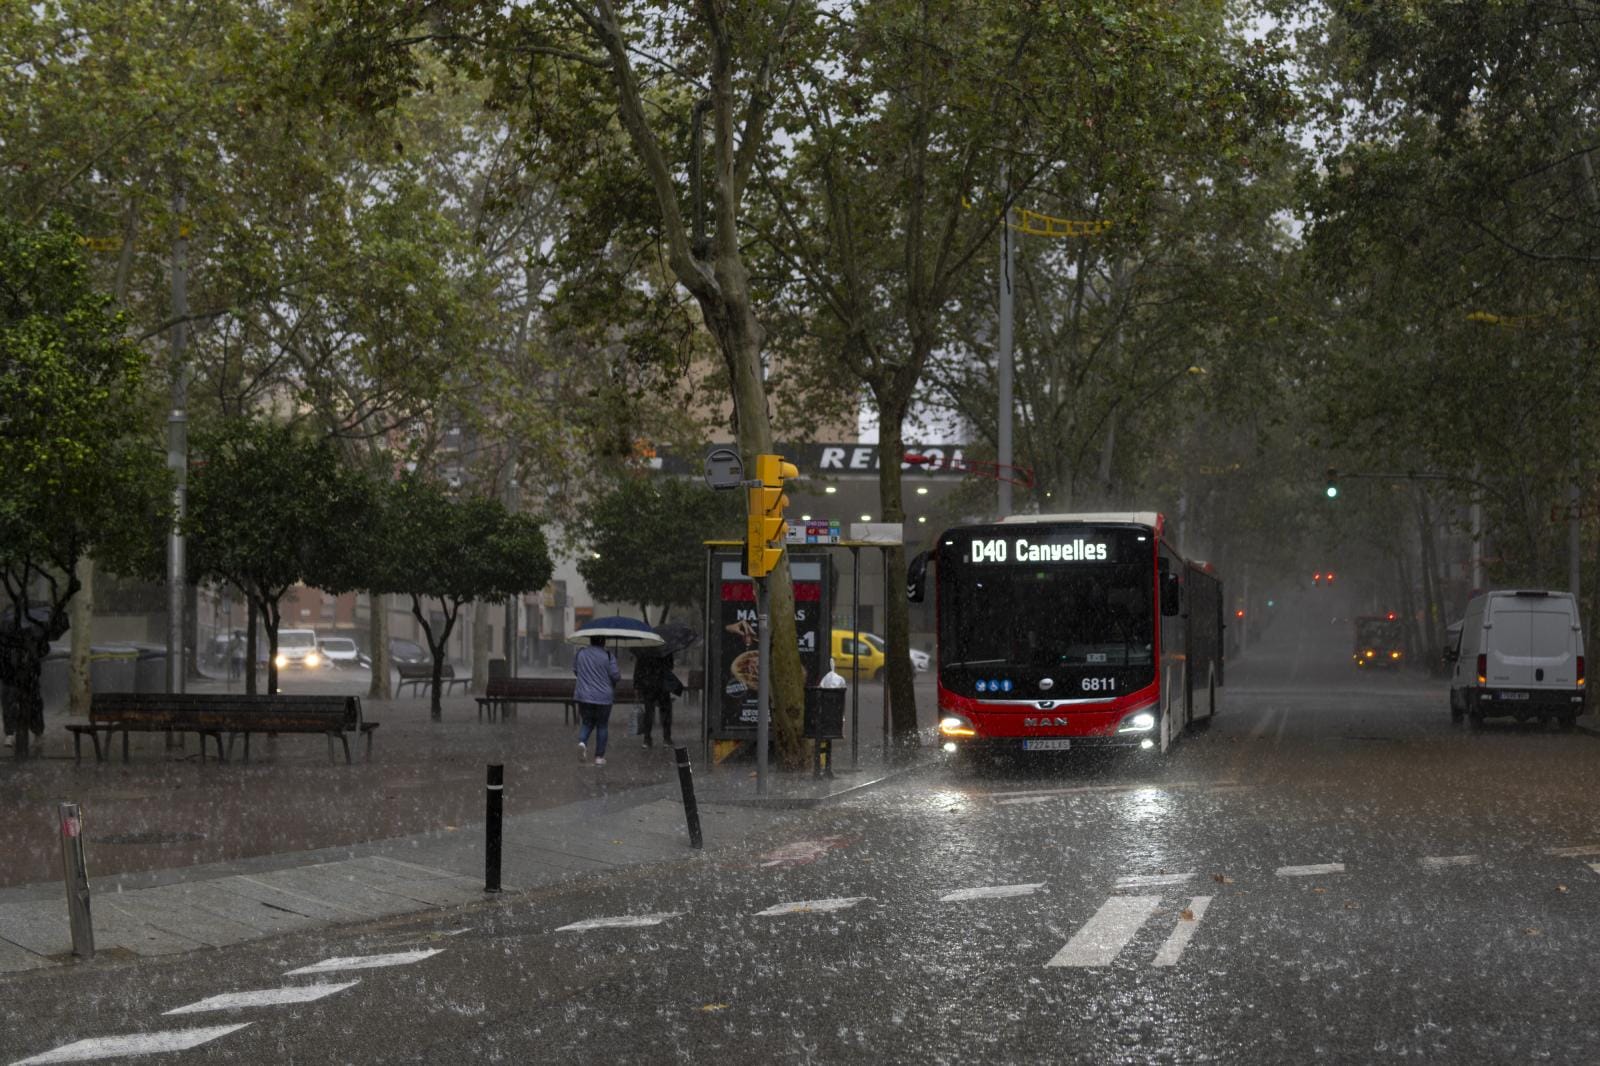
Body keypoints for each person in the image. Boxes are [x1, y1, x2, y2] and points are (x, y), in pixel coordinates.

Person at [573, 634, 620, 766]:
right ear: (604, 641)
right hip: (604, 697)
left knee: (587, 722)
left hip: (584, 695)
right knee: (602, 725)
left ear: (590, 640)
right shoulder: (609, 656)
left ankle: (582, 743)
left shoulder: (580, 653)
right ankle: (599, 757)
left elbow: (576, 670)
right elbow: (615, 676)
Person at [633, 650, 680, 749]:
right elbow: (670, 666)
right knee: (665, 712)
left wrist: (637, 686)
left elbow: (638, 669)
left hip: (648, 685)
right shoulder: (666, 650)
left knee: (649, 712)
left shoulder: (643, 651)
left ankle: (647, 739)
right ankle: (666, 738)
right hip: (662, 685)